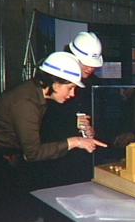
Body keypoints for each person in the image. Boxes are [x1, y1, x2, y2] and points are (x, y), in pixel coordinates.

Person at [0, 51, 107, 191]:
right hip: (2, 169)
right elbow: (33, 153)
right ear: (55, 82)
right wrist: (76, 142)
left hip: (11, 161)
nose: (72, 94)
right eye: (70, 88)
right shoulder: (26, 103)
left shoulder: (35, 91)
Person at [39, 32, 104, 185]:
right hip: (54, 159)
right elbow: (44, 124)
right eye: (85, 63)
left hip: (82, 160)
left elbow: (101, 118)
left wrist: (92, 129)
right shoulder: (53, 79)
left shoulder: (93, 84)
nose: (89, 68)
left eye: (93, 64)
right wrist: (72, 122)